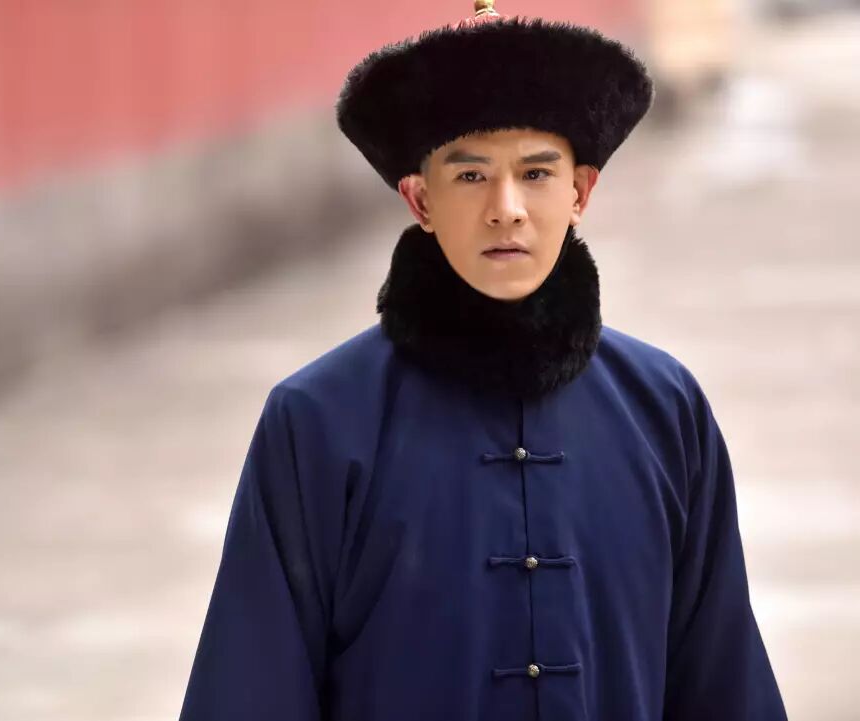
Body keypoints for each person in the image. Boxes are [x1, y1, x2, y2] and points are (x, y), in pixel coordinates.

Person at [178, 2, 788, 719]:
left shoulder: (663, 409)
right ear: (420, 199)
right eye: (470, 177)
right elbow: (250, 689)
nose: (507, 208)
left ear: (580, 191)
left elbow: (722, 681)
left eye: (536, 173)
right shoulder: (319, 422)